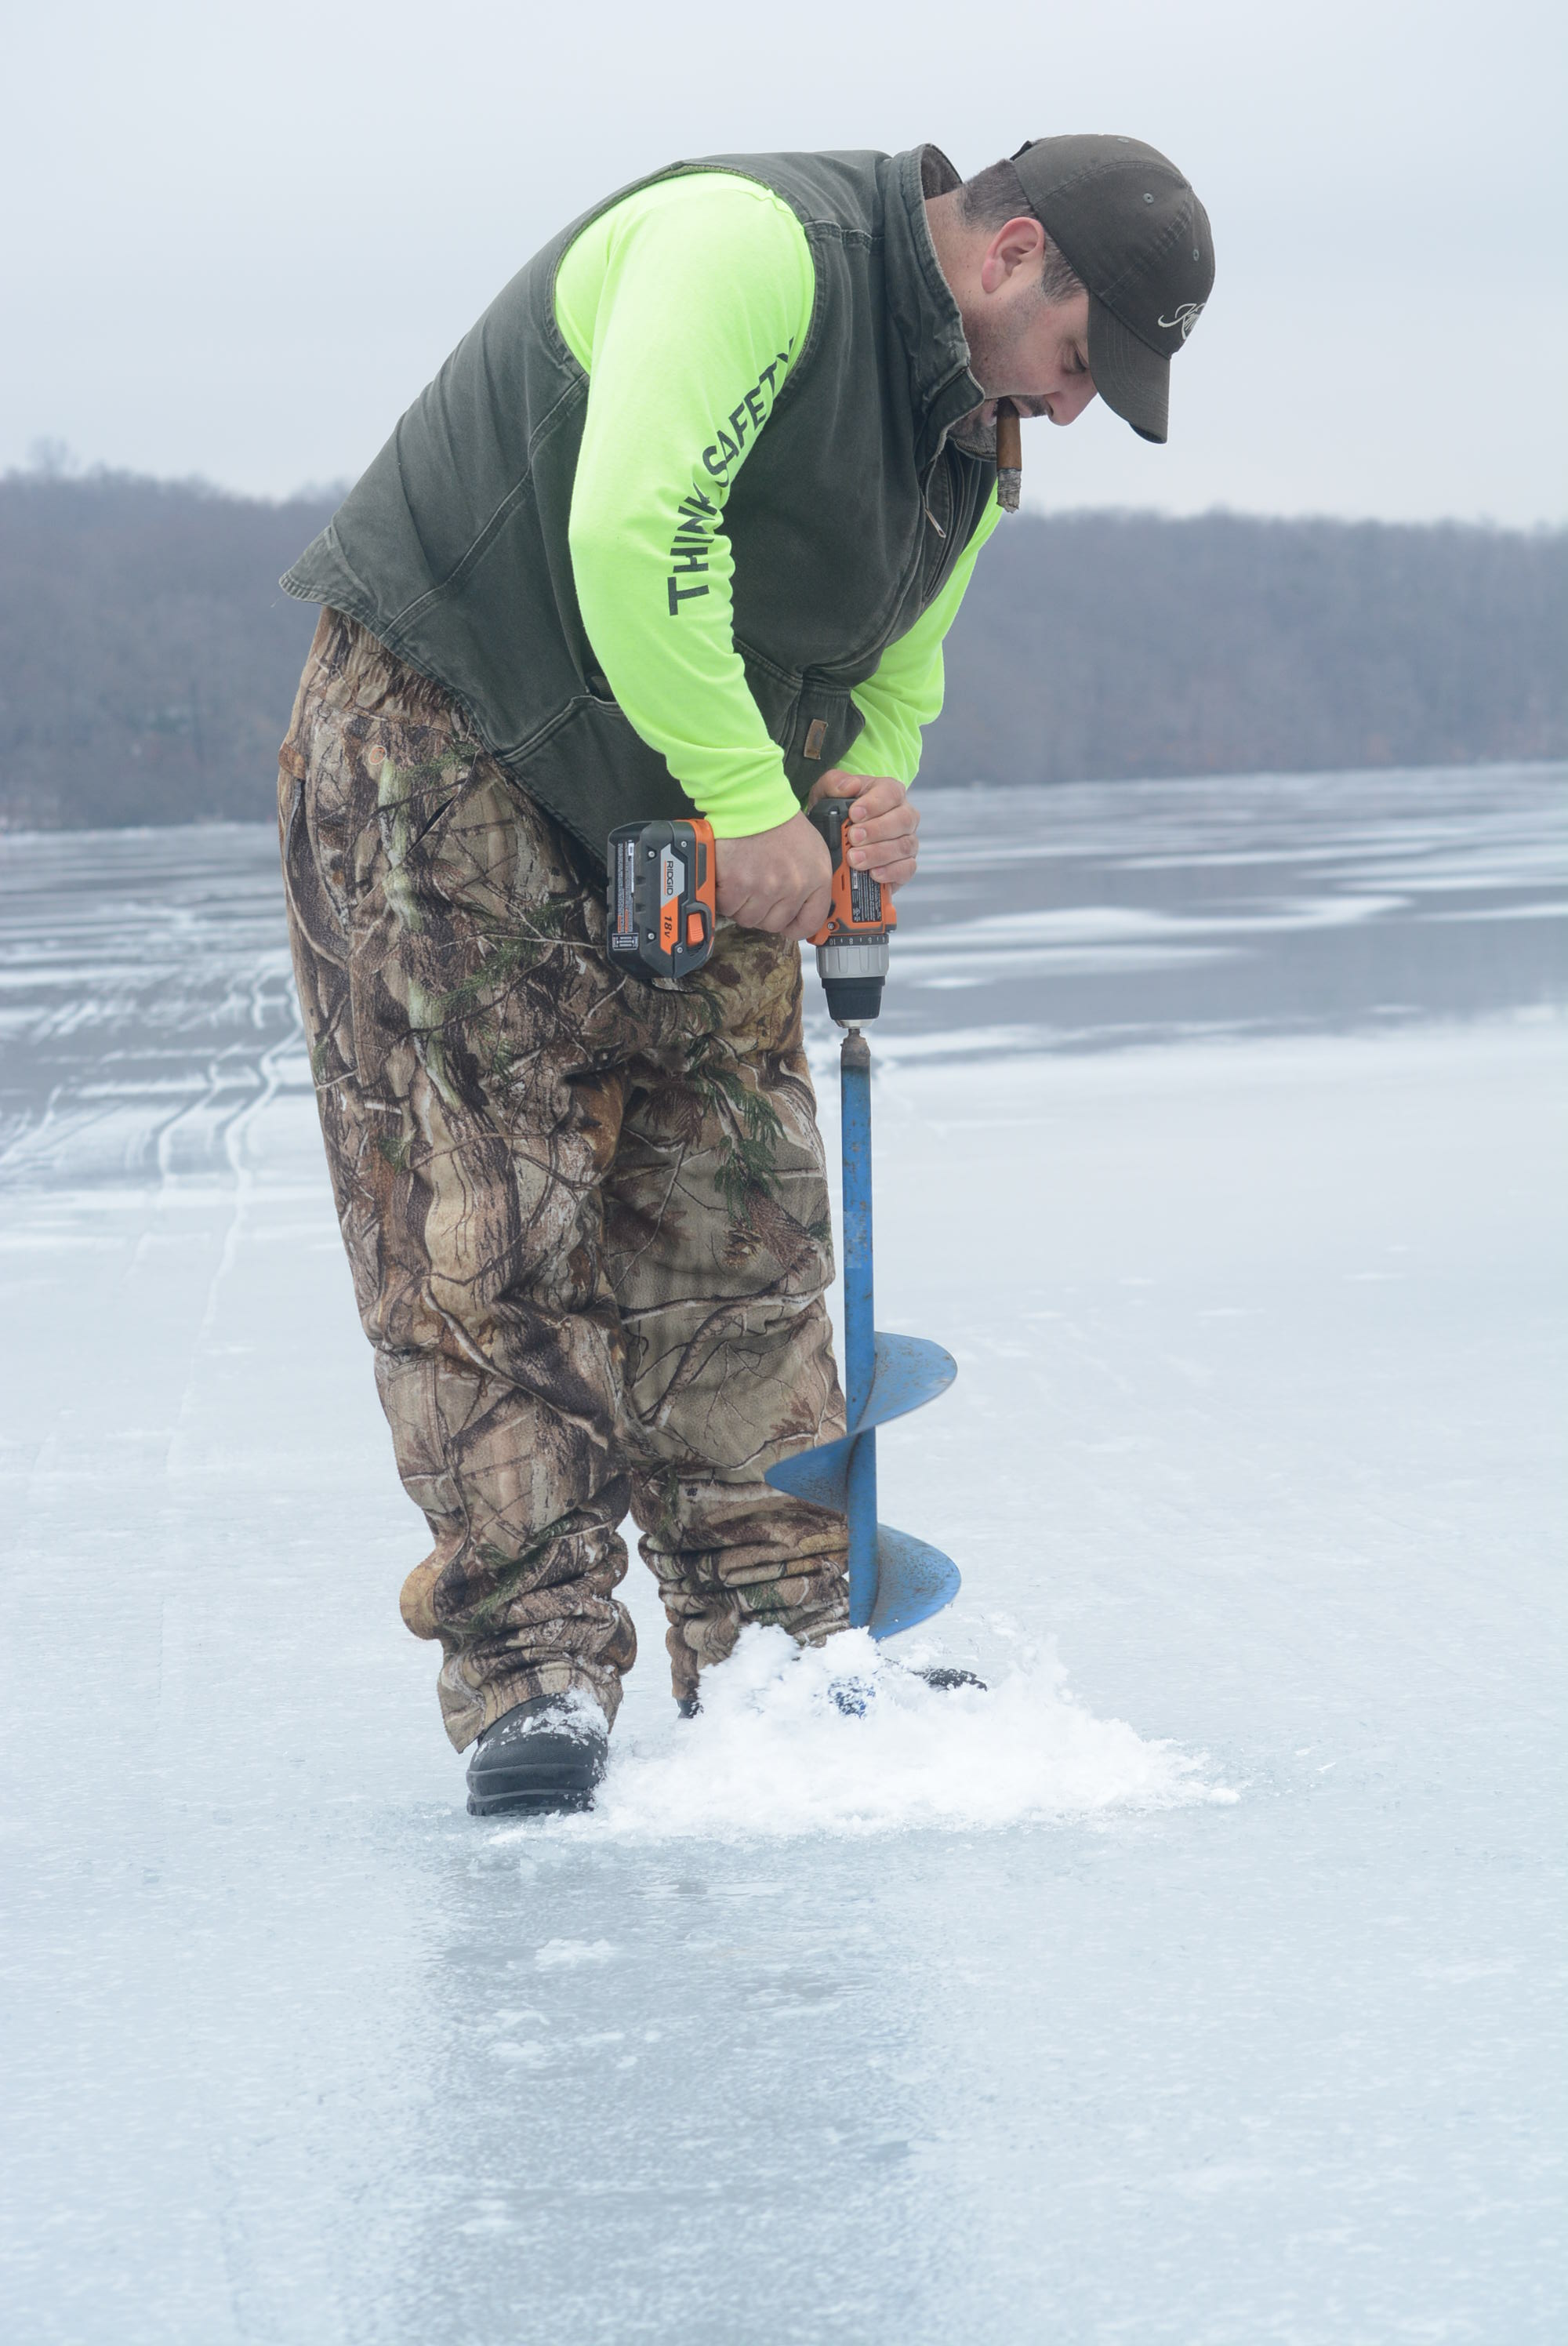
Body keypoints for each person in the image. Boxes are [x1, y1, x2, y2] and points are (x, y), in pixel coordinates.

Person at [275, 136, 1214, 1814]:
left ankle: (782, 1643)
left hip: (695, 811)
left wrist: (858, 796)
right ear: (1013, 254)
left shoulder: (971, 434)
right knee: (489, 1225)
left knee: (736, 1221)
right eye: (1082, 362)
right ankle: (535, 1669)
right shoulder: (748, 249)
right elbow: (639, 528)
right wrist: (747, 799)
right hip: (454, 736)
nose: (1074, 408)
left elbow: (898, 669)